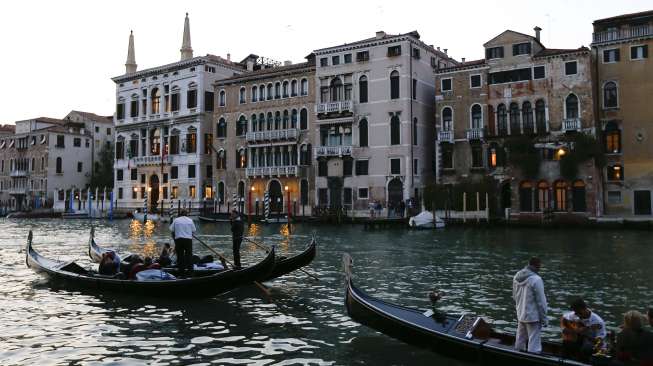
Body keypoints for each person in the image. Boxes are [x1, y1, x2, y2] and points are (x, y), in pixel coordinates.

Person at [513, 257, 547, 353]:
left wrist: (519, 310)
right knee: (534, 341)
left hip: (521, 313)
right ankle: (533, 357)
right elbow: (541, 301)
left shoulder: (516, 276)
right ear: (538, 265)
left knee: (520, 339)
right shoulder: (536, 279)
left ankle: (517, 355)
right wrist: (544, 318)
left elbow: (514, 296)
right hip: (533, 316)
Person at [169, 209, 196, 275]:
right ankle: (190, 271)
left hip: (179, 240)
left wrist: (175, 238)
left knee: (180, 256)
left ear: (180, 214)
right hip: (188, 240)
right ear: (186, 214)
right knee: (189, 255)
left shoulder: (176, 220)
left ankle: (181, 272)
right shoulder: (190, 220)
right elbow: (194, 230)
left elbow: (172, 230)